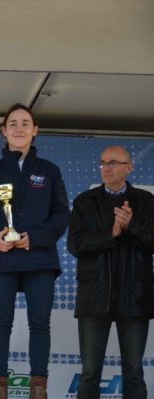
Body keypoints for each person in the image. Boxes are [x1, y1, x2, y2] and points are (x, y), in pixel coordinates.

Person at [0, 103, 70, 399]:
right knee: (1, 322)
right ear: (4, 131)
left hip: (40, 258)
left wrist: (35, 238)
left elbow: (61, 214)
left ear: (35, 131)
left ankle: (39, 387)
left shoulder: (49, 171)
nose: (19, 128)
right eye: (13, 123)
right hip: (2, 257)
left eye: (26, 123)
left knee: (40, 323)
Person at [67, 145, 154, 399]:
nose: (106, 167)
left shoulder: (147, 202)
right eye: (103, 163)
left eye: (113, 163)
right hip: (94, 298)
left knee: (134, 373)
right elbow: (76, 245)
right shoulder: (85, 201)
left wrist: (131, 226)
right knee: (90, 373)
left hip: (135, 298)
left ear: (129, 168)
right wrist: (112, 233)